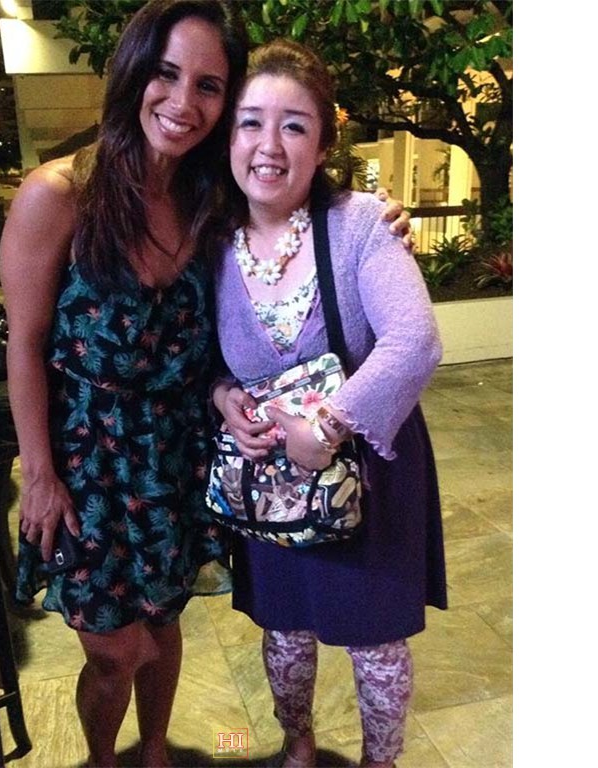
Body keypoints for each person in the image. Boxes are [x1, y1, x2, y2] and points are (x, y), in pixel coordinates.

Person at [0, 2, 410, 763]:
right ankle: (104, 760)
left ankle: (155, 750)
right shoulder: (59, 195)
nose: (183, 102)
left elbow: (297, 204)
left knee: (163, 628)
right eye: (166, 74)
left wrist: (374, 216)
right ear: (133, 73)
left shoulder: (209, 199)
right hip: (89, 461)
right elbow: (22, 347)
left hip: (179, 452)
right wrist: (40, 474)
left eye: (209, 85)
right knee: (115, 650)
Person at [210, 40, 448, 768]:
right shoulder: (208, 242)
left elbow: (414, 340)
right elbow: (201, 360)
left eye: (295, 125)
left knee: (376, 642)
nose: (269, 145)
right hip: (270, 484)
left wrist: (327, 422)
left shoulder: (360, 224)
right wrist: (223, 397)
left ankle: (381, 761)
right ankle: (298, 743)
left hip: (367, 475)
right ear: (228, 136)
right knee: (284, 630)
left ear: (323, 145)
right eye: (251, 122)